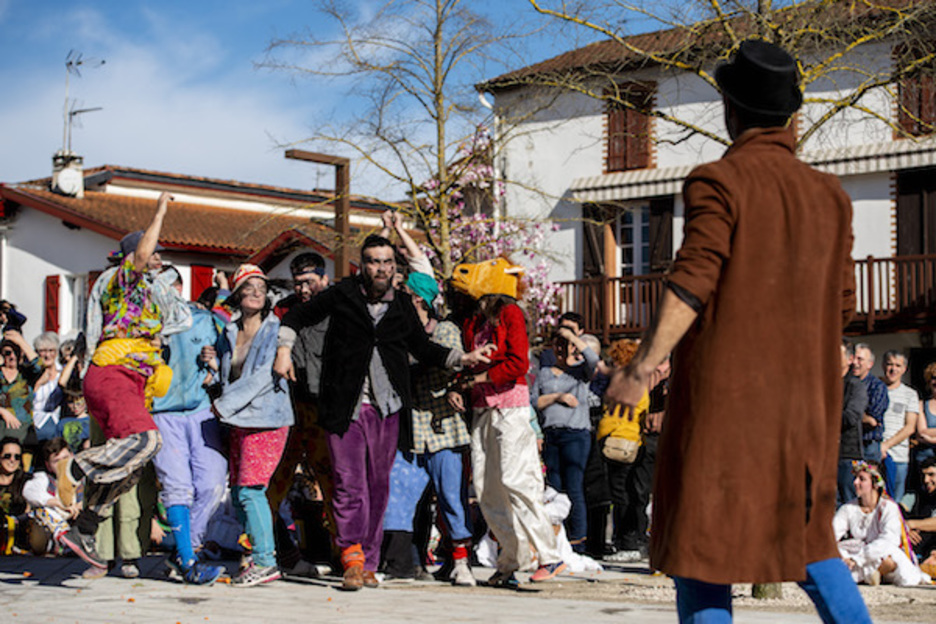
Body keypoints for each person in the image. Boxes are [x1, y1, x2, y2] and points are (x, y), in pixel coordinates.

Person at [605, 40, 871, 623]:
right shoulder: (831, 198)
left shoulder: (718, 181)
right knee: (810, 545)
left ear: (730, 108)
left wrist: (641, 366)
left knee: (705, 552)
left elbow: (691, 281)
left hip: (727, 412)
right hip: (804, 413)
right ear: (793, 115)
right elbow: (843, 308)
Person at [273, 235, 493, 591]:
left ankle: (370, 562)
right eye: (374, 261)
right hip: (344, 406)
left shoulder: (403, 304)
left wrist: (462, 359)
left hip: (387, 406)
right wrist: (284, 350)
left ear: (394, 267)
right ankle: (352, 558)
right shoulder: (343, 295)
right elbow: (298, 315)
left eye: (387, 261)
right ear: (364, 266)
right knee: (348, 484)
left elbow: (422, 347)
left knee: (378, 485)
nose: (381, 267)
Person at [56, 192, 173, 570]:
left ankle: (85, 525)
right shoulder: (122, 279)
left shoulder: (145, 294)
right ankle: (74, 467)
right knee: (147, 441)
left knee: (130, 465)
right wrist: (160, 211)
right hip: (113, 374)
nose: (157, 258)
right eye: (151, 251)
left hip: (127, 381)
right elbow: (141, 257)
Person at [449, 257, 567, 586]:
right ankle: (510, 558)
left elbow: (517, 362)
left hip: (510, 407)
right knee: (487, 488)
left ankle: (550, 555)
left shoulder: (510, 313)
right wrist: (466, 383)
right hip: (484, 408)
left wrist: (479, 378)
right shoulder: (473, 319)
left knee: (519, 480)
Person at [202, 264, 294, 587]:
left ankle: (266, 561)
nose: (256, 292)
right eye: (249, 286)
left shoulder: (274, 330)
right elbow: (231, 376)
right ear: (238, 293)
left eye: (261, 287)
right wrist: (213, 366)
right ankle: (256, 552)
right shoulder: (228, 331)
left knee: (252, 490)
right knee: (241, 491)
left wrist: (222, 405)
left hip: (267, 418)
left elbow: (262, 379)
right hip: (238, 419)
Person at [150, 267, 228, 585]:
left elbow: (231, 351)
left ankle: (185, 549)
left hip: (200, 411)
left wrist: (216, 366)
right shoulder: (146, 324)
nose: (161, 294)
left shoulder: (205, 320)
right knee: (177, 486)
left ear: (179, 288)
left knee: (212, 484)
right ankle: (188, 559)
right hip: (162, 412)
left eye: (166, 287)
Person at [267, 251, 334, 577]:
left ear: (324, 278)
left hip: (326, 413)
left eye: (309, 282)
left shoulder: (339, 308)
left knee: (334, 483)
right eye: (297, 284)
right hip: (289, 411)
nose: (303, 290)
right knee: (274, 483)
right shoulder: (283, 310)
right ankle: (270, 551)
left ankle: (343, 553)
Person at [532, 324, 599, 553]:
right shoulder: (543, 373)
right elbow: (534, 402)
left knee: (574, 487)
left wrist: (572, 336)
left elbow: (593, 359)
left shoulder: (580, 372)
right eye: (558, 343)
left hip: (575, 435)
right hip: (552, 433)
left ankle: (577, 540)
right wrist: (557, 396)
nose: (562, 348)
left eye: (566, 344)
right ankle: (555, 539)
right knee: (554, 488)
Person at [834, 460, 930, 586]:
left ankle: (870, 574)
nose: (855, 482)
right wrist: (846, 558)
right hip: (855, 552)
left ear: (875, 484)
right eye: (856, 478)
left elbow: (889, 539)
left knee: (890, 560)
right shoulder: (848, 508)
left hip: (877, 553)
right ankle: (871, 574)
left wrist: (858, 559)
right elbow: (830, 535)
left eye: (862, 479)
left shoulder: (888, 507)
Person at [22, 437, 81, 555]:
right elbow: (29, 491)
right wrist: (59, 504)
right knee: (41, 510)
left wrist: (81, 505)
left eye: (65, 458)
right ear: (48, 465)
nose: (63, 463)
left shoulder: (83, 479)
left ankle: (74, 544)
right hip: (47, 537)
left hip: (78, 526)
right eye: (57, 461)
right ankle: (67, 541)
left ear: (72, 456)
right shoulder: (44, 478)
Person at [879, 350, 919, 503]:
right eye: (889, 364)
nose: (893, 369)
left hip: (898, 457)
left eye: (897, 365)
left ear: (904, 369)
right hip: (874, 455)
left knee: (894, 503)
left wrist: (886, 445)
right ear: (883, 365)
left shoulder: (910, 394)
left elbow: (910, 427)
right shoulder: (874, 389)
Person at [0, 330, 43, 466]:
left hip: (24, 435)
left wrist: (21, 342)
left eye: (15, 352)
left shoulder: (26, 374)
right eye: (8, 353)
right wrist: (2, 411)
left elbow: (40, 365)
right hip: (1, 434)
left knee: (24, 474)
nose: (12, 356)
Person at [839, 339, 868, 506]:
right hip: (825, 452)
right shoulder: (823, 383)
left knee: (848, 503)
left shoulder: (856, 386)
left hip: (847, 454)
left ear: (850, 360)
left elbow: (851, 417)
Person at [852, 344, 889, 462]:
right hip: (847, 444)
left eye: (860, 359)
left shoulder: (877, 387)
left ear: (870, 364)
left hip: (868, 445)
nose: (855, 362)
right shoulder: (843, 383)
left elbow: (873, 420)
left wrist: (849, 412)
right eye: (853, 358)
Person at [0, 437, 30, 554]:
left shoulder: (27, 481)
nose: (12, 460)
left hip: (21, 536)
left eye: (17, 457)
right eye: (7, 456)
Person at [906, 456, 936, 572]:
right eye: (923, 475)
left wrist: (911, 524)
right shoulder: (918, 495)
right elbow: (899, 510)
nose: (926, 480)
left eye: (931, 475)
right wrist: (906, 529)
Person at [32, 332, 62, 442]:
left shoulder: (62, 373)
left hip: (58, 423)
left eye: (51, 351)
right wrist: (38, 384)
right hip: (37, 424)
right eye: (43, 351)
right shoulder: (32, 375)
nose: (47, 355)